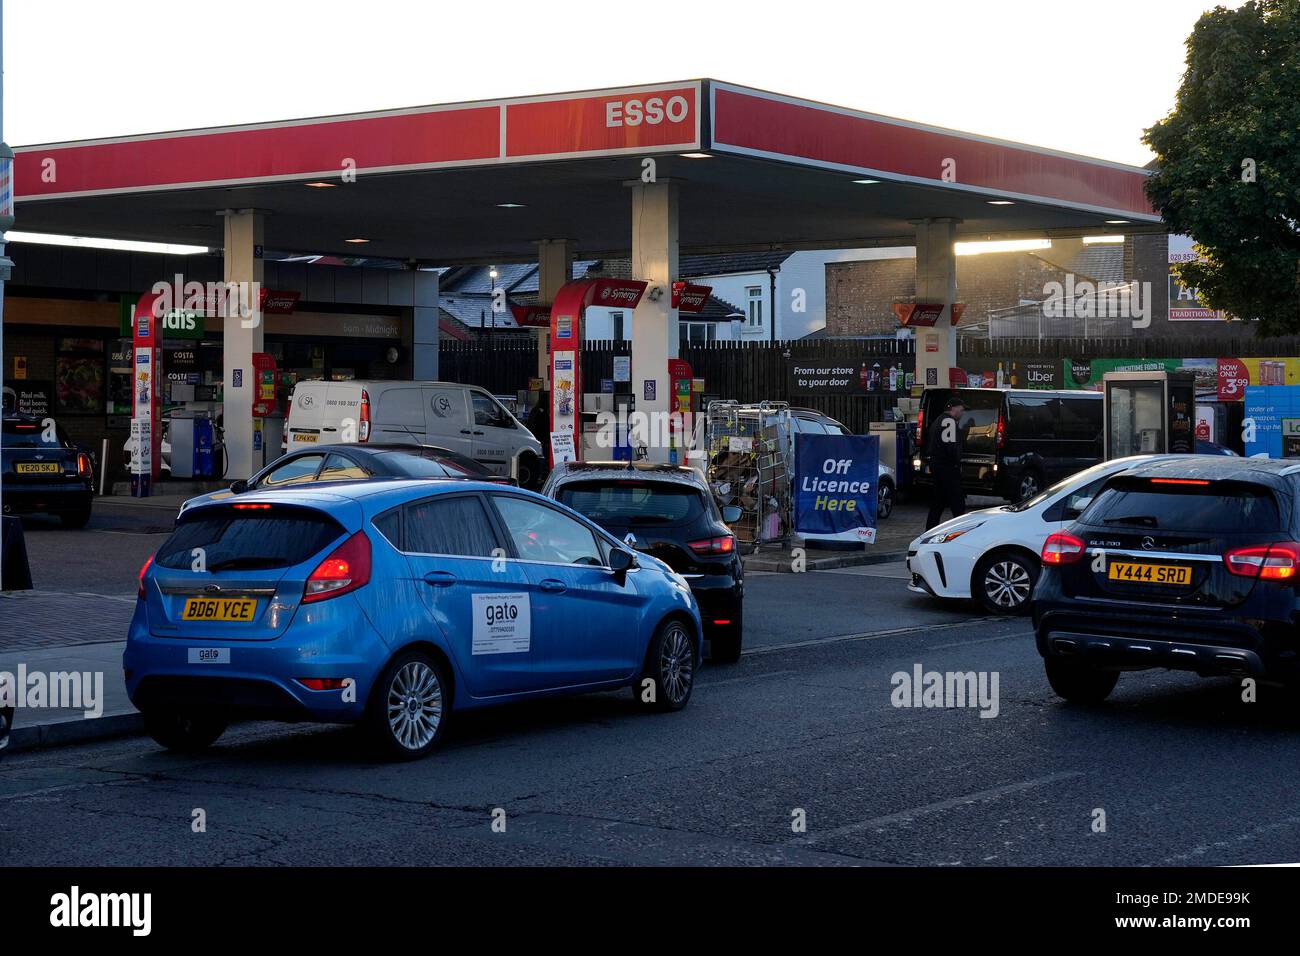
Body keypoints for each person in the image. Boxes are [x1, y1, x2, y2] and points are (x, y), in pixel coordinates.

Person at [926, 395, 967, 529]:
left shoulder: (938, 421)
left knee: (938, 502)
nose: (962, 413)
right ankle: (961, 530)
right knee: (957, 503)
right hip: (948, 467)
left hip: (937, 465)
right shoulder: (948, 422)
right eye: (961, 410)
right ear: (953, 409)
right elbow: (951, 446)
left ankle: (930, 530)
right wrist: (957, 461)